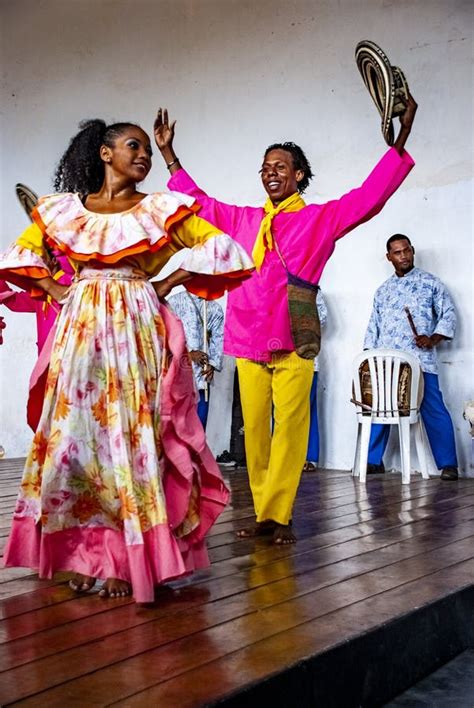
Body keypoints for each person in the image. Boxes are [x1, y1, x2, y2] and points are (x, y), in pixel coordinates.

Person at [0, 118, 254, 603]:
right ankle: (81, 553)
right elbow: (22, 256)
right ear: (104, 153)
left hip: (135, 325)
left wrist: (167, 281)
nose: (144, 156)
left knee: (129, 435)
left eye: (148, 152)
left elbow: (223, 248)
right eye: (133, 146)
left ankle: (120, 559)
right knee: (76, 436)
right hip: (80, 328)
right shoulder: (63, 212)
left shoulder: (159, 210)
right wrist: (57, 288)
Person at [155, 94, 417, 545]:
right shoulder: (244, 220)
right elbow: (199, 204)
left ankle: (278, 516)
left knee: (291, 430)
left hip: (295, 337)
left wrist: (402, 136)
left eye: (280, 166)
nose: (270, 173)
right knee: (254, 432)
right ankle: (263, 511)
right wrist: (169, 155)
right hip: (245, 336)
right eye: (265, 167)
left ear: (298, 175)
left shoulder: (319, 219)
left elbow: (369, 198)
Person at [364, 234, 459, 480]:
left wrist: (433, 338)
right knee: (380, 408)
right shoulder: (382, 291)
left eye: (406, 250)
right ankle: (374, 461)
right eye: (397, 252)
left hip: (420, 361)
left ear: (413, 250)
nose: (403, 256)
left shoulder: (431, 283)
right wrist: (368, 358)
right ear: (389, 257)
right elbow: (373, 326)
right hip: (387, 364)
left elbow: (448, 314)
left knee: (434, 408)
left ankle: (448, 464)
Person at [167, 290, 224, 429]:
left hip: (201, 377)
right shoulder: (174, 302)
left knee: (199, 423)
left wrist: (212, 364)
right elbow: (166, 334)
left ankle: (197, 451)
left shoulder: (214, 307)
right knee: (178, 425)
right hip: (177, 374)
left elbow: (219, 338)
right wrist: (188, 354)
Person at [303, 289, 328, 472]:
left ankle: (309, 457)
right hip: (276, 357)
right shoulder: (272, 284)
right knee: (279, 412)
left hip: (306, 358)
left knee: (307, 409)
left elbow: (321, 319)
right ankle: (282, 458)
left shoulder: (311, 288)